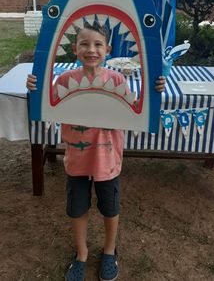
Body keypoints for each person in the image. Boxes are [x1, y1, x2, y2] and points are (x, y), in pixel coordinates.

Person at [27, 22, 166, 281]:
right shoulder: (66, 80)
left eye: (98, 44)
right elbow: (45, 104)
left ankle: (110, 251)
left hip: (108, 161)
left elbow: (137, 110)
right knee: (77, 208)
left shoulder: (117, 80)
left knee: (110, 208)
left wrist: (154, 92)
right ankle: (81, 253)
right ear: (74, 48)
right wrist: (35, 88)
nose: (91, 49)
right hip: (77, 161)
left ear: (108, 49)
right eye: (84, 44)